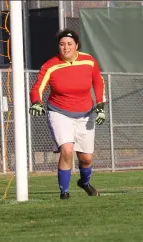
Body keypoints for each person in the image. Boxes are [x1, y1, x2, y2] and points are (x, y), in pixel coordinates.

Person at [29, 29, 105, 199]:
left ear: (77, 45)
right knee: (67, 150)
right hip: (59, 112)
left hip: (85, 114)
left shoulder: (89, 61)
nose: (66, 47)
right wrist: (36, 102)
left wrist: (100, 104)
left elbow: (98, 82)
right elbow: (37, 87)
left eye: (69, 44)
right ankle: (64, 192)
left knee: (86, 158)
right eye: (62, 44)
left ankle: (84, 183)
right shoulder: (50, 65)